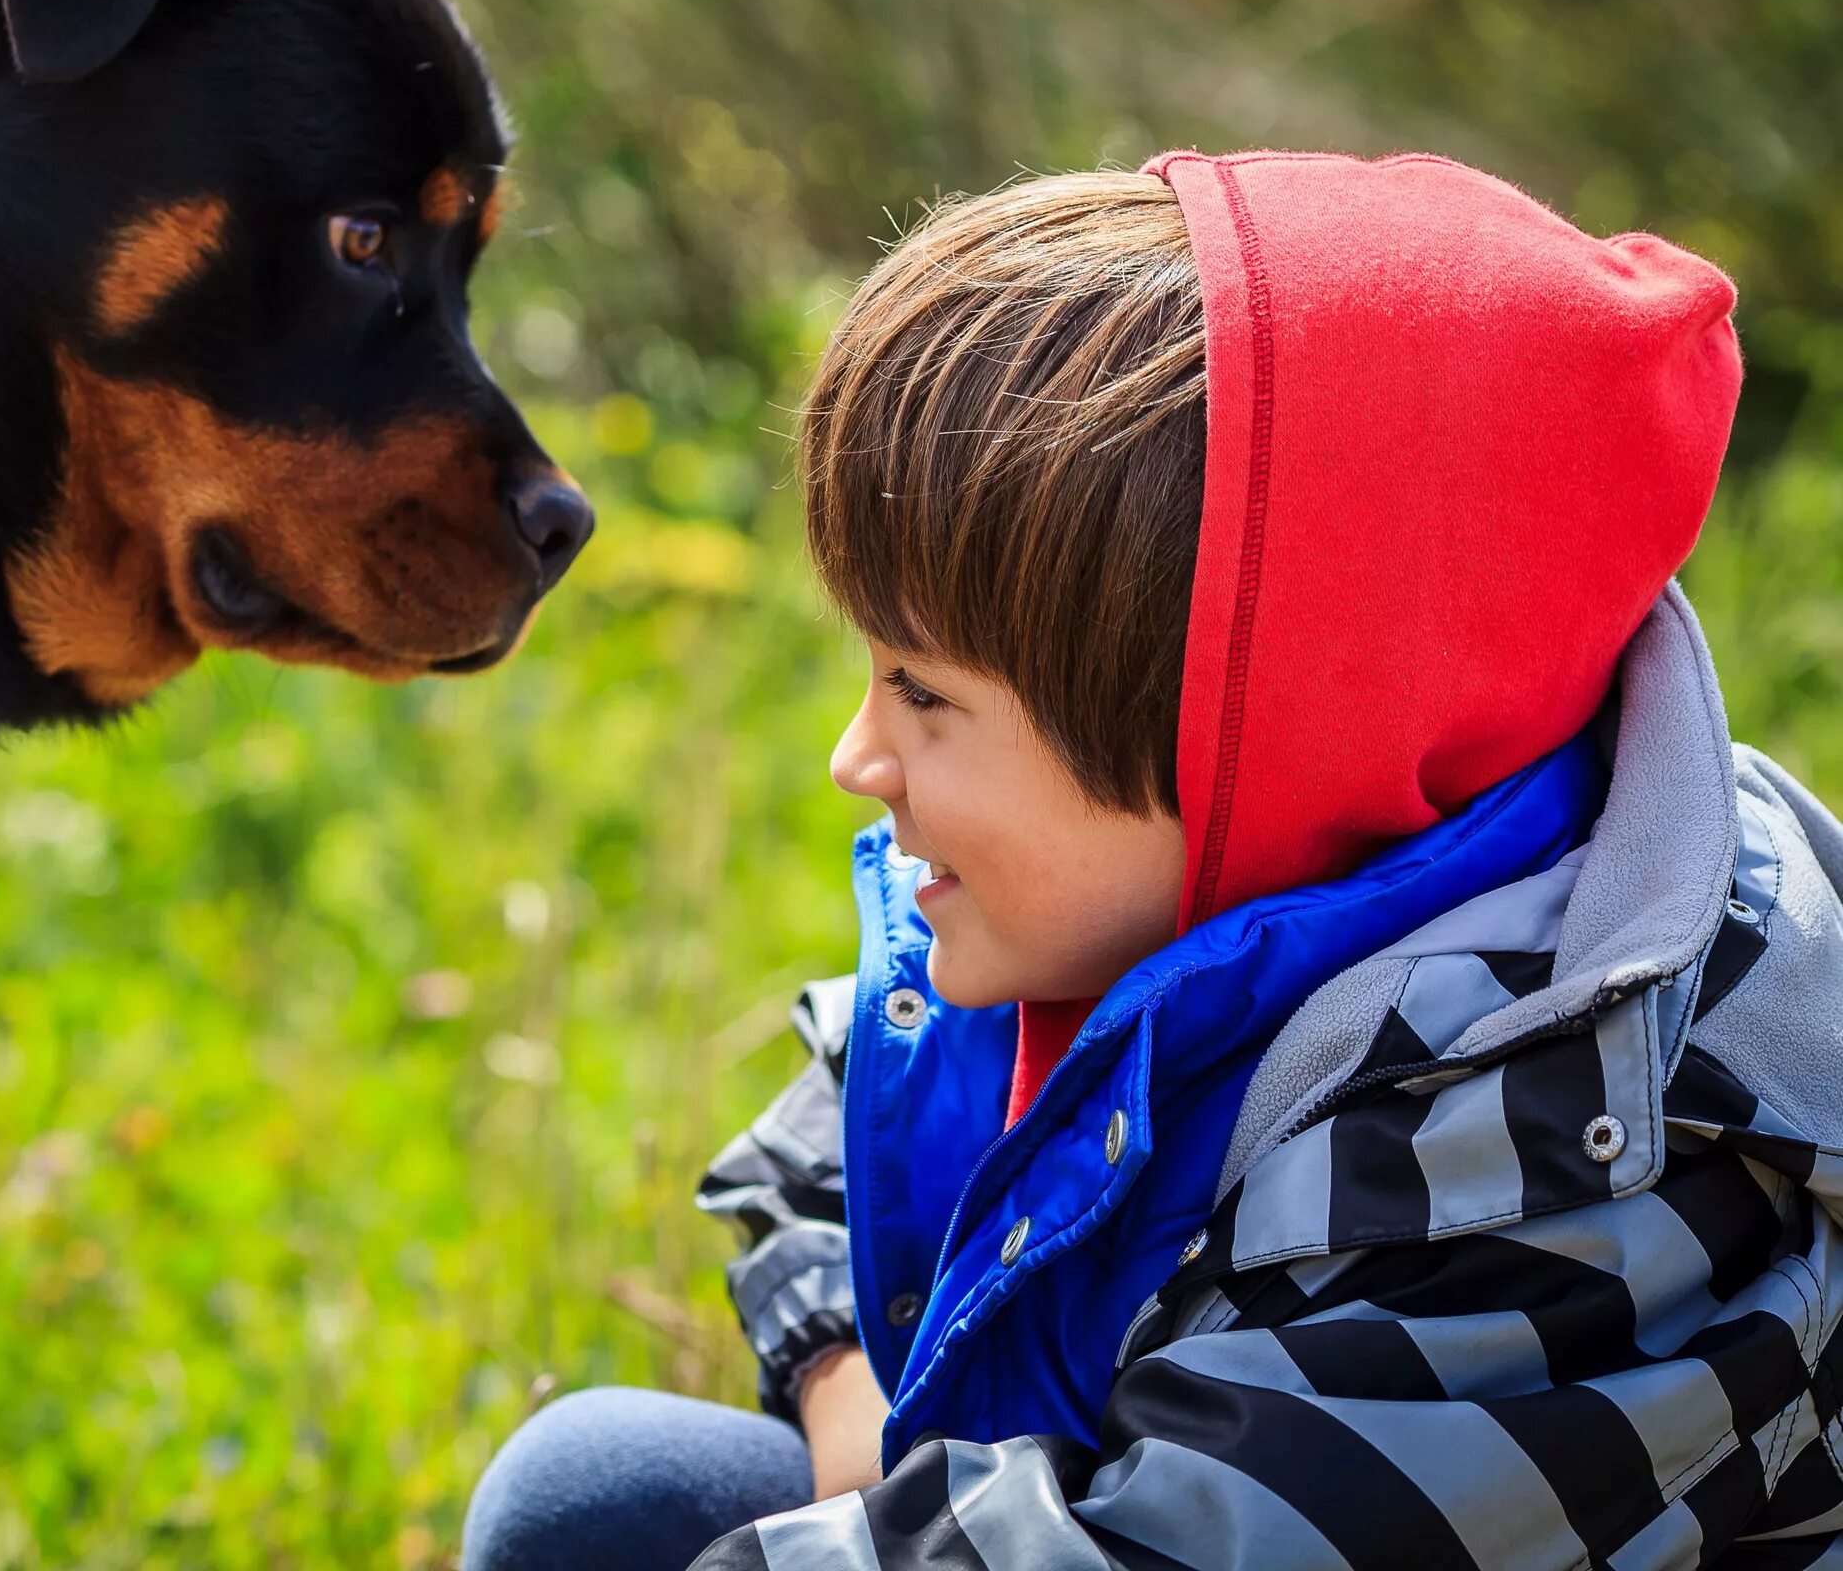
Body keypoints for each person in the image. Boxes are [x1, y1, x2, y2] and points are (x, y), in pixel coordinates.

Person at [461, 151, 1843, 1570]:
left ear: (1255, 742)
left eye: (923, 695)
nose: (856, 762)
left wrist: (892, 1502)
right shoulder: (1157, 910)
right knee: (596, 1493)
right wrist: (857, 1412)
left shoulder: (1584, 1178)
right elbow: (851, 1142)